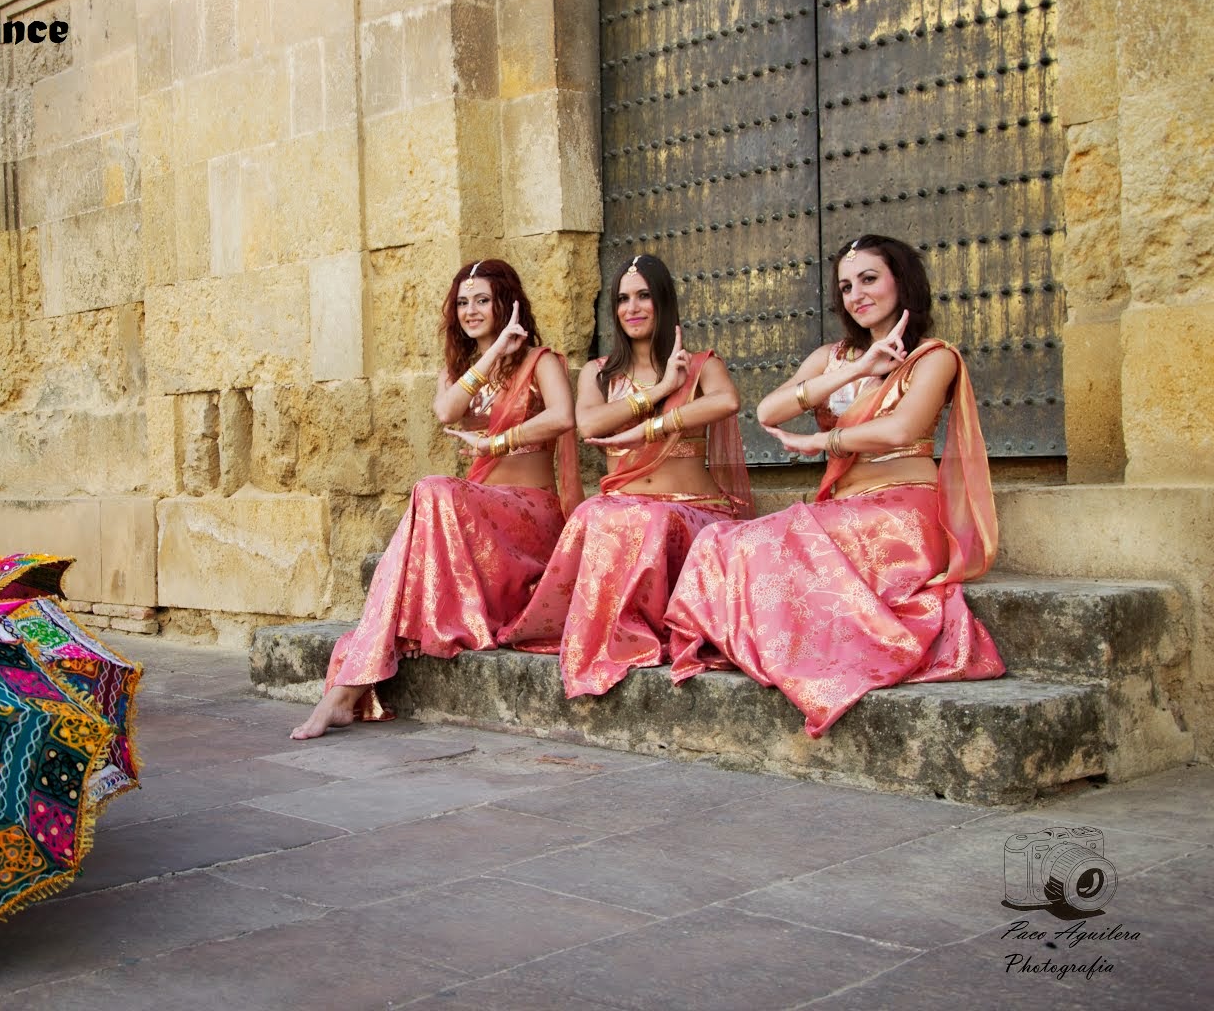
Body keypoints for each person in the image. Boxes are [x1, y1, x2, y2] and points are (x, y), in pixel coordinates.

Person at [663, 234, 1003, 736]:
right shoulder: (834, 357)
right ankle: (774, 652)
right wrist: (857, 369)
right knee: (722, 541)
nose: (856, 295)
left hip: (903, 516)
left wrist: (824, 440)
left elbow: (900, 430)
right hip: (843, 511)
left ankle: (799, 657)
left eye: (869, 279)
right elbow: (768, 411)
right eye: (846, 286)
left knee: (764, 544)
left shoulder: (934, 357)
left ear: (901, 282)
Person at [290, 259, 581, 739]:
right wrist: (489, 356)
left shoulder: (540, 361)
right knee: (428, 510)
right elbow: (446, 410)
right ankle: (345, 693)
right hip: (481, 516)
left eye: (483, 300)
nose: (471, 310)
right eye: (463, 302)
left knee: (432, 490)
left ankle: (346, 689)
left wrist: (497, 442)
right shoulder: (464, 369)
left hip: (531, 515)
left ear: (507, 302)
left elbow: (565, 416)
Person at [498, 254, 752, 697]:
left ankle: (640, 633)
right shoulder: (599, 374)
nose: (632, 308)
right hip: (626, 509)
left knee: (647, 520)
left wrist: (657, 421)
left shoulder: (701, 366)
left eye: (643, 296)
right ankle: (607, 636)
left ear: (663, 302)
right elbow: (591, 425)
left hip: (692, 512)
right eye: (622, 299)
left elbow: (727, 401)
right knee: (595, 514)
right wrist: (659, 392)